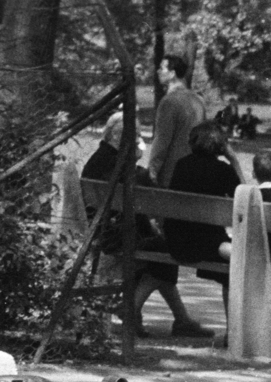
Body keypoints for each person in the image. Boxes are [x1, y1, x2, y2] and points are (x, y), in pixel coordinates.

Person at [81, 112, 211, 338]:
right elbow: (140, 211)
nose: (139, 140)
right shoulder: (124, 167)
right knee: (166, 251)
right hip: (118, 236)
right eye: (137, 136)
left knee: (160, 253)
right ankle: (132, 310)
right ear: (120, 137)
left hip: (102, 231)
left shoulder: (97, 160)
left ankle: (181, 319)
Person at [163, 121, 242, 317]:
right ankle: (233, 331)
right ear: (220, 146)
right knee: (235, 265)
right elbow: (244, 200)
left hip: (176, 241)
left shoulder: (181, 165)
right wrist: (234, 160)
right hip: (207, 245)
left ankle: (134, 316)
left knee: (154, 270)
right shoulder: (222, 170)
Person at [147, 54, 207, 189]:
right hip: (196, 172)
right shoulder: (198, 100)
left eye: (162, 68)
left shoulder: (169, 102)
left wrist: (152, 170)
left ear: (172, 74)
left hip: (171, 174)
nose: (158, 71)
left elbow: (162, 140)